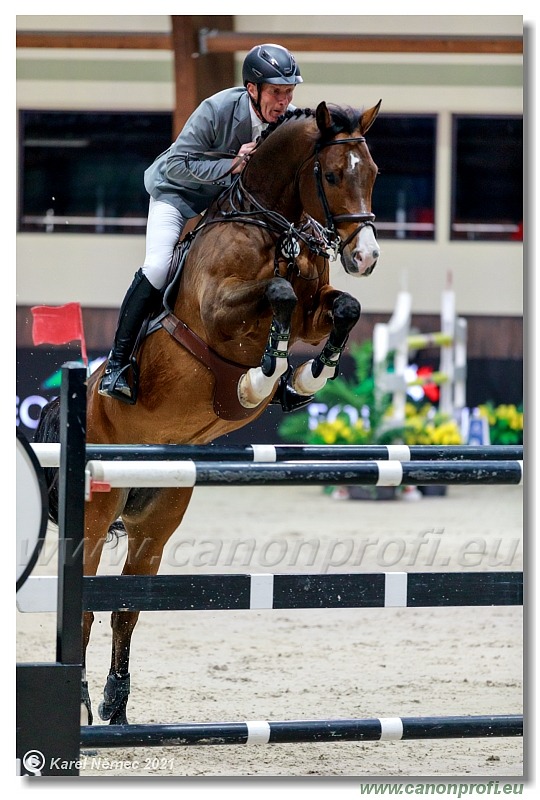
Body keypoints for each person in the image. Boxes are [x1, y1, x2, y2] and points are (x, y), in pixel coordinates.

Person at [99, 43, 303, 403]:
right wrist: (232, 163)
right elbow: (178, 163)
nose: (283, 102)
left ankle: (277, 374)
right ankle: (117, 364)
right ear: (252, 89)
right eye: (276, 92)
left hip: (224, 207)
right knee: (160, 266)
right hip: (177, 194)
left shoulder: (286, 122)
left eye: (288, 92)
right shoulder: (218, 109)